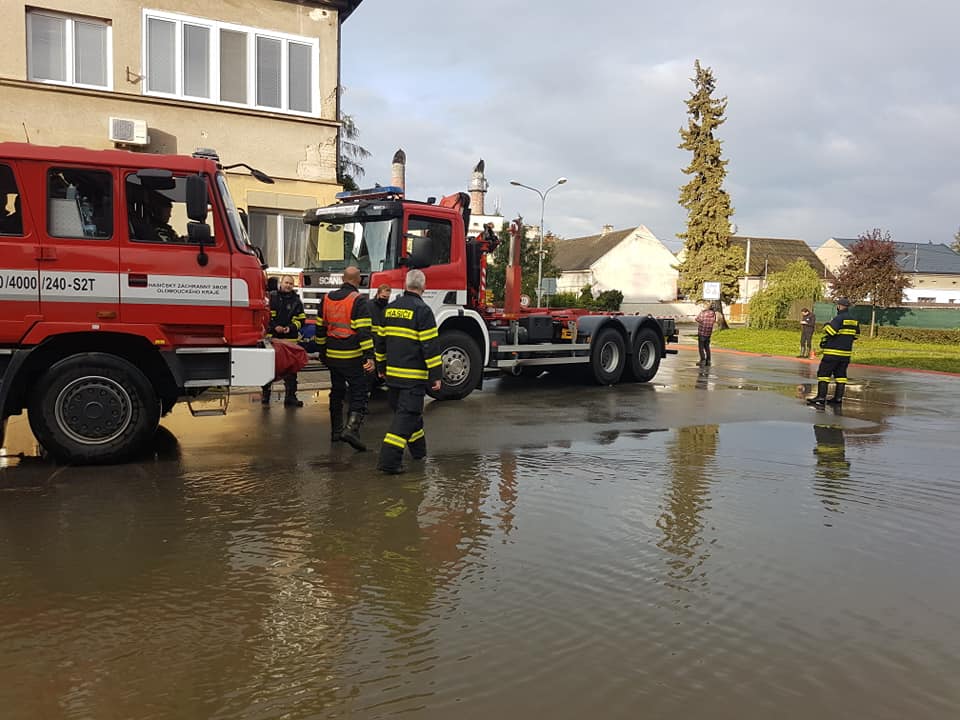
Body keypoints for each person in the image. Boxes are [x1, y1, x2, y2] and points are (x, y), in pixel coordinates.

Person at [375, 269, 443, 475]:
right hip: (413, 379)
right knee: (406, 417)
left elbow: (380, 342)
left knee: (412, 417)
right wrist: (436, 376)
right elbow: (430, 347)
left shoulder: (389, 309)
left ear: (405, 285)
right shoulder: (423, 311)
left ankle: (419, 452)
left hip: (393, 376)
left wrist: (381, 368)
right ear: (424, 287)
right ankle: (389, 461)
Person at [318, 265, 374, 450]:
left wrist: (322, 351)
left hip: (332, 355)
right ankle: (351, 430)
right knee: (359, 391)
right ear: (357, 279)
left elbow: (320, 328)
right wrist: (369, 357)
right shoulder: (358, 300)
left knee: (337, 391)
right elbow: (364, 332)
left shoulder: (326, 298)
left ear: (343, 279)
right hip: (351, 356)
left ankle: (336, 432)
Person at [261, 274, 307, 407]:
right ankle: (265, 395)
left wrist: (290, 328)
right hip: (273, 339)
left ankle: (290, 397)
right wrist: (275, 327)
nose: (288, 285)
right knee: (268, 368)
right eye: (286, 283)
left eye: (291, 284)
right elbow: (266, 316)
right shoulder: (272, 297)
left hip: (290, 340)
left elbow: (301, 320)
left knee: (291, 371)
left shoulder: (296, 300)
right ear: (281, 283)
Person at [807, 297, 860, 406]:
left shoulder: (838, 318)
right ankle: (838, 398)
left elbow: (831, 332)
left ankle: (821, 397)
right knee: (840, 376)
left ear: (839, 306)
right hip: (845, 354)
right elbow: (856, 336)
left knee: (823, 374)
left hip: (832, 353)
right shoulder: (854, 320)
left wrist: (827, 325)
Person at [695, 301, 718, 366]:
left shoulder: (703, 313)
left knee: (701, 347)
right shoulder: (713, 314)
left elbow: (697, 319)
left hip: (702, 332)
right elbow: (714, 321)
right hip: (708, 333)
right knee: (707, 347)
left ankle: (702, 360)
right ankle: (708, 360)